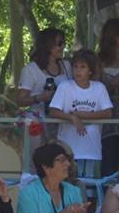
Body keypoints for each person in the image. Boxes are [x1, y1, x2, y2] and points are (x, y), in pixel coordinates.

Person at [47, 49, 113, 182]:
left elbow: (108, 112)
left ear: (90, 71)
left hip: (92, 151)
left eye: (83, 67)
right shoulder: (65, 87)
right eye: (75, 67)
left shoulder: (99, 88)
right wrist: (72, 117)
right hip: (67, 152)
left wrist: (81, 115)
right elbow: (53, 110)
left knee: (90, 188)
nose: (78, 71)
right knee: (67, 185)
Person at [97, 18, 119, 175]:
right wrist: (111, 84)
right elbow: (89, 87)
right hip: (107, 121)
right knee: (109, 161)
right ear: (113, 34)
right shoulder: (98, 61)